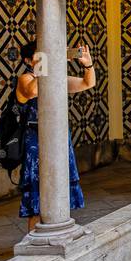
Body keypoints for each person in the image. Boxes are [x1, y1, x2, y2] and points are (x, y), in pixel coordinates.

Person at [15, 39, 94, 230]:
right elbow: (32, 91)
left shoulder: (56, 77)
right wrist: (48, 64)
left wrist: (88, 64)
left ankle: (57, 229)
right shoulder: (24, 79)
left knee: (58, 190)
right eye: (39, 54)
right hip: (37, 142)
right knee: (38, 196)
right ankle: (35, 238)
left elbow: (87, 83)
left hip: (59, 141)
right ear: (28, 60)